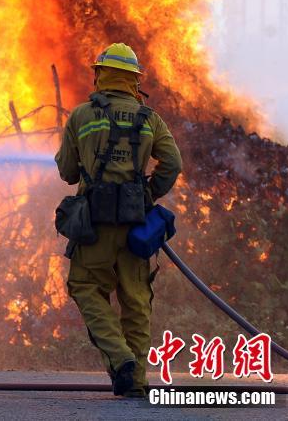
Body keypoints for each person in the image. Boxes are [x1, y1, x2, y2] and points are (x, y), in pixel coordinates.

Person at [54, 43, 183, 397]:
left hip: (94, 225)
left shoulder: (82, 115)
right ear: (133, 80)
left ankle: (120, 357)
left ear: (101, 75)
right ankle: (136, 383)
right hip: (135, 224)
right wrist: (148, 195)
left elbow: (67, 171)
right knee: (136, 301)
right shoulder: (150, 119)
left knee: (85, 287)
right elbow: (172, 164)